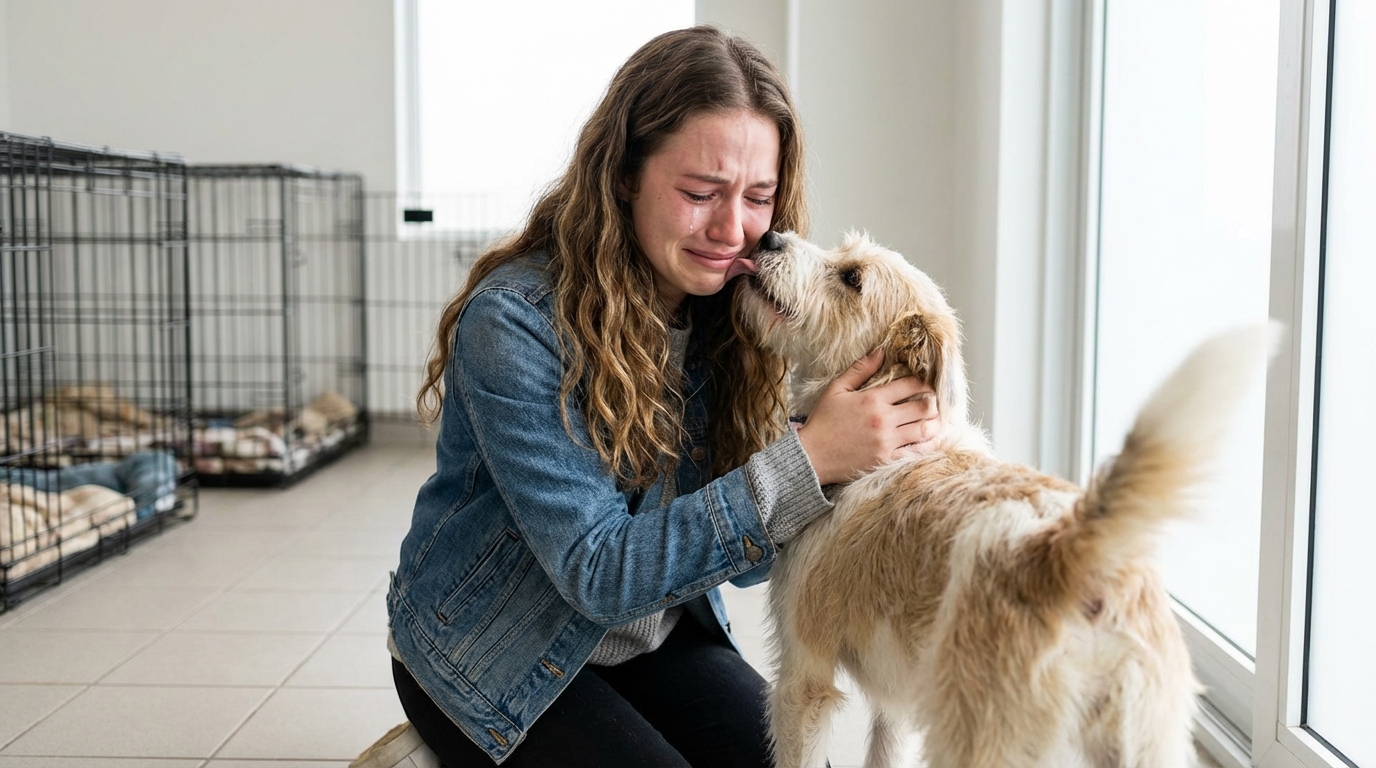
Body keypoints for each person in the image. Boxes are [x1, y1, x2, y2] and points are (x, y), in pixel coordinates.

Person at [358, 25, 941, 768]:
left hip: (651, 635)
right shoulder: (514, 324)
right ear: (626, 174)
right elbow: (599, 573)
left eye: (759, 197)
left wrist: (845, 452)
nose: (732, 230)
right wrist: (809, 458)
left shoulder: (731, 313)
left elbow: (748, 564)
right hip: (493, 653)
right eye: (700, 193)